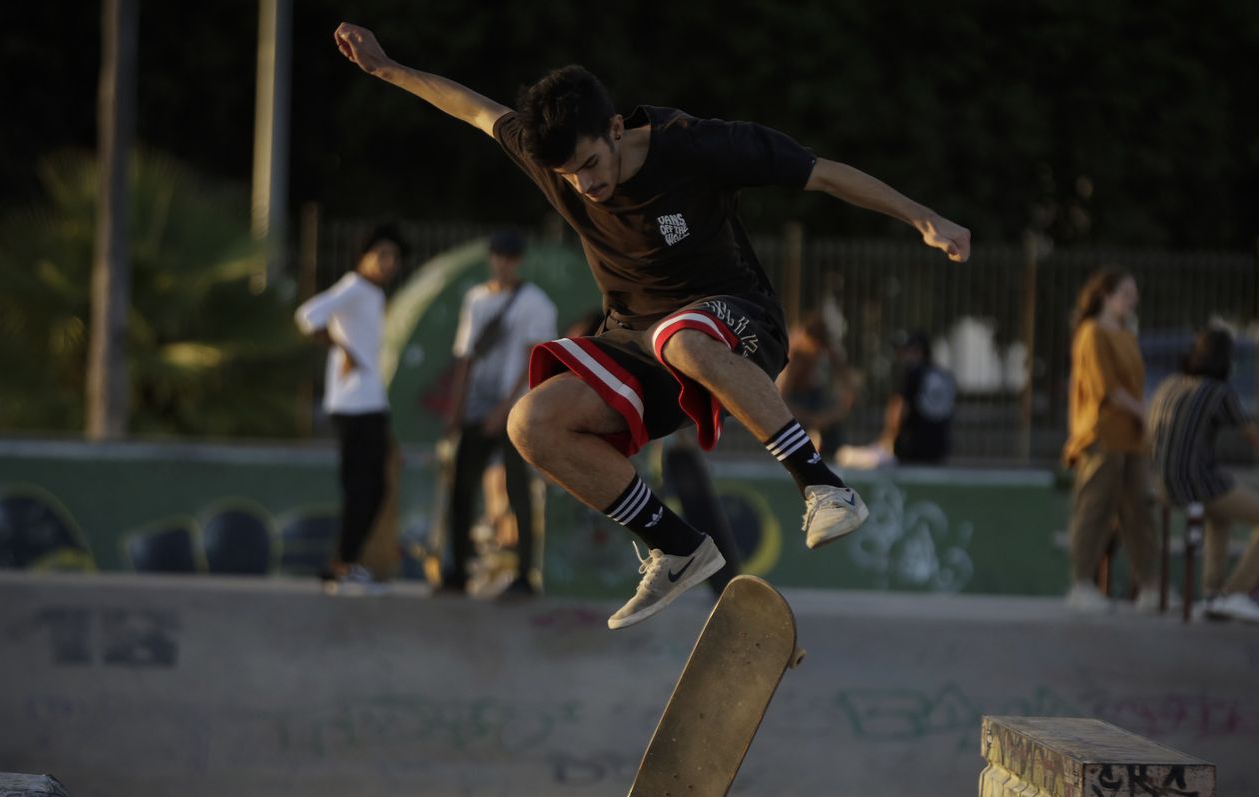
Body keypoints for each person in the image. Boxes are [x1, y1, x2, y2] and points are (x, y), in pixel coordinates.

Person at [334, 25, 970, 629]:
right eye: (570, 175)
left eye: (592, 163)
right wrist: (387, 69)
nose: (587, 184)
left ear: (616, 128)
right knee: (530, 422)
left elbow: (823, 172)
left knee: (680, 337)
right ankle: (677, 546)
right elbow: (473, 109)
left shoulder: (695, 145)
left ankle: (824, 486)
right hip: (636, 341)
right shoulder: (555, 159)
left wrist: (924, 219)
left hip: (738, 319)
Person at [1146, 328, 1259, 624]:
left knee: (1220, 513)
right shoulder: (1217, 392)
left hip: (1161, 483)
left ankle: (1212, 594)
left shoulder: (1170, 384)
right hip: (1195, 482)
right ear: (1225, 360)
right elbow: (1253, 435)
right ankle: (1235, 593)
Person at [441, 229, 557, 597]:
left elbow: (531, 361)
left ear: (518, 261)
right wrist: (455, 408)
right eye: (498, 257)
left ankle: (525, 575)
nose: (503, 264)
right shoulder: (476, 299)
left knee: (518, 490)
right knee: (462, 489)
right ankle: (457, 571)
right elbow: (466, 357)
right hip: (477, 408)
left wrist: (503, 410)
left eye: (509, 258)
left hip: (516, 412)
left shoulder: (536, 304)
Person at [294, 224, 405, 594]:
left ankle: (344, 563)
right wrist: (342, 349)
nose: (388, 263)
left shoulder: (372, 293)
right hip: (354, 404)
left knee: (372, 488)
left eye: (394, 257)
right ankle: (342, 566)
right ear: (364, 256)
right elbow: (308, 315)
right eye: (382, 255)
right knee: (363, 489)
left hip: (370, 401)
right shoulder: (354, 286)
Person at [1061, 266, 1161, 613]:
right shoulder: (1091, 332)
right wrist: (1144, 411)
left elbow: (1133, 385)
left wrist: (1143, 414)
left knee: (1140, 511)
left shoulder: (1126, 334)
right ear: (1105, 295)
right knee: (1094, 509)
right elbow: (1105, 389)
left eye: (1134, 295)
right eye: (1125, 294)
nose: (1132, 301)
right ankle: (1081, 584)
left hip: (1133, 438)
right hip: (1101, 435)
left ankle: (1150, 587)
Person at [777, 311, 857, 456]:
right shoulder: (793, 353)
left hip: (813, 397)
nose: (816, 353)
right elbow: (780, 399)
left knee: (833, 434)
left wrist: (832, 415)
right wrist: (810, 419)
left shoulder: (826, 348)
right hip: (794, 402)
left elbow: (849, 384)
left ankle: (831, 450)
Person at [878, 331, 956, 464]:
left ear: (917, 351)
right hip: (940, 445)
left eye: (904, 351)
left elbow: (901, 409)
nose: (901, 356)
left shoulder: (914, 374)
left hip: (913, 444)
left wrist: (889, 438)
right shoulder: (944, 375)